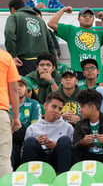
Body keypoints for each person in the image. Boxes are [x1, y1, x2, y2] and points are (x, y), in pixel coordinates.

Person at [47, 6, 103, 76]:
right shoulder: (71, 30)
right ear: (78, 19)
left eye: (90, 16)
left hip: (95, 71)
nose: (87, 17)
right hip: (78, 71)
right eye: (84, 15)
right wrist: (63, 10)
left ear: (93, 19)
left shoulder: (98, 34)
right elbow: (51, 24)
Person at [21, 92, 73, 174]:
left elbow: (71, 153)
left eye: (60, 109)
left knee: (64, 140)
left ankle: (63, 177)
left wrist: (56, 146)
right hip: (39, 159)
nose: (56, 111)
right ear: (45, 106)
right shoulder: (32, 128)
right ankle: (28, 176)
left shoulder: (68, 127)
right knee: (31, 141)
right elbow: (23, 152)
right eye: (54, 107)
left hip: (57, 159)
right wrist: (36, 143)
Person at [5, 0, 56, 75]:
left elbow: (9, 34)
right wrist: (53, 63)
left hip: (23, 63)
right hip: (43, 65)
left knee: (26, 86)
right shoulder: (40, 20)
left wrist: (13, 56)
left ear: (12, 10)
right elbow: (50, 43)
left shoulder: (14, 16)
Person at [11, 76, 42, 170]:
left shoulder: (34, 104)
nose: (18, 88)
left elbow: (35, 128)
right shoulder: (5, 105)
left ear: (26, 89)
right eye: (15, 86)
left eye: (21, 85)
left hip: (28, 137)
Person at [0, 49, 21, 178]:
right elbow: (14, 89)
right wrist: (16, 117)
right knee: (3, 157)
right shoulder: (5, 57)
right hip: (1, 111)